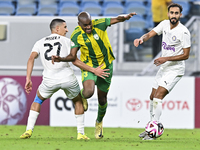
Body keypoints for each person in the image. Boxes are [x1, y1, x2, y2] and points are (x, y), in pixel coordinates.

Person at [52, 11, 136, 139]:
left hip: (106, 67)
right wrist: (61, 59)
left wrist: (125, 17)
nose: (88, 27)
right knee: (88, 92)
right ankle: (82, 96)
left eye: (89, 24)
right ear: (79, 24)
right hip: (89, 66)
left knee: (102, 99)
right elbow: (73, 57)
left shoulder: (100, 24)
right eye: (85, 25)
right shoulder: (76, 35)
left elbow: (116, 19)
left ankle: (99, 122)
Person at [19, 18, 97, 140]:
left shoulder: (39, 42)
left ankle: (28, 130)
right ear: (57, 28)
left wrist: (28, 78)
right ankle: (80, 133)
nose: (67, 30)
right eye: (65, 27)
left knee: (38, 99)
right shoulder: (68, 41)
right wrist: (93, 70)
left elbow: (31, 59)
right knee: (78, 101)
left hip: (49, 80)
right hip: (67, 78)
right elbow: (75, 60)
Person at [134, 3, 191, 140]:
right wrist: (141, 39)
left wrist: (166, 58)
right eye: (172, 13)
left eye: (176, 13)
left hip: (175, 68)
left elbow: (186, 55)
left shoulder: (183, 32)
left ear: (180, 15)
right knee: (152, 96)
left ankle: (155, 131)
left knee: (158, 97)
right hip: (164, 67)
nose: (174, 16)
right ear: (168, 14)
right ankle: (150, 128)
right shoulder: (164, 24)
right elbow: (150, 34)